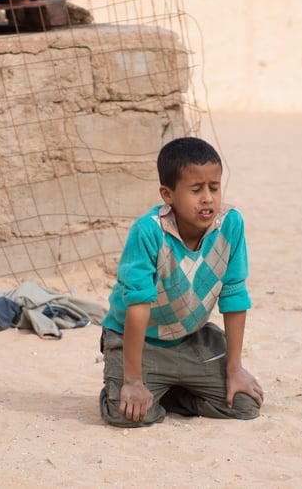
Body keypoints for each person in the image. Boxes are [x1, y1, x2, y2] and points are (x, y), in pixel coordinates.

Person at [99, 136, 264, 427]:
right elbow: (138, 306)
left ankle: (171, 391)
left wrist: (235, 368)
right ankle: (136, 384)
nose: (208, 198)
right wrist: (133, 382)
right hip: (139, 342)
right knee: (128, 415)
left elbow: (234, 294)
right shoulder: (147, 233)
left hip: (188, 338)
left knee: (244, 405)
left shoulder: (231, 225)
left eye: (214, 187)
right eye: (196, 189)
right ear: (167, 194)